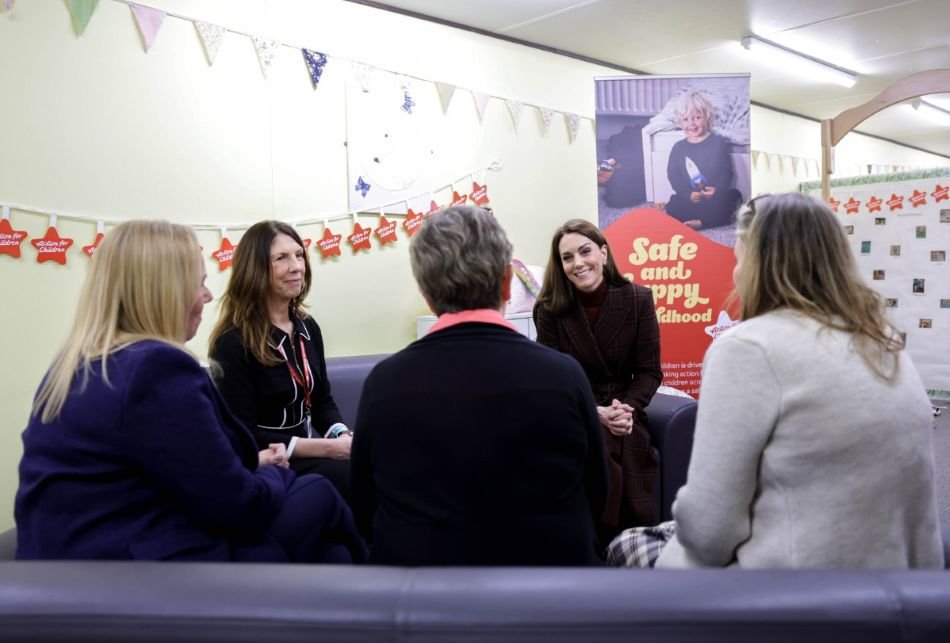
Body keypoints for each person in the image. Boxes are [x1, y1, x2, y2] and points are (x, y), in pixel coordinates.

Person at [612, 192, 944, 569]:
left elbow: (709, 532)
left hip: (797, 585)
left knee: (626, 545)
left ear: (757, 263)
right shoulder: (882, 339)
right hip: (900, 575)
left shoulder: (747, 348)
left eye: (739, 258)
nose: (735, 272)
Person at [15, 220, 365, 563]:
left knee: (332, 552)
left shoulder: (73, 368)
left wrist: (259, 463)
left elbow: (178, 467)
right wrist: (276, 472)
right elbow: (239, 503)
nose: (208, 296)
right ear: (163, 293)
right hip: (133, 564)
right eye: (199, 284)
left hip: (72, 559)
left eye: (299, 256)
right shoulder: (158, 369)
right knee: (320, 493)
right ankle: (381, 583)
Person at [351, 206, 608, 566]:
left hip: (422, 587)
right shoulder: (565, 376)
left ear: (426, 294)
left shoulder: (383, 384)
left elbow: (364, 507)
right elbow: (597, 493)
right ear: (507, 281)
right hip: (551, 585)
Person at [533, 219, 662, 540]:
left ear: (603, 253)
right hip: (574, 411)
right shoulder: (549, 310)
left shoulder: (638, 299)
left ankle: (600, 539)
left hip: (624, 413)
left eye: (585, 251)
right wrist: (594, 412)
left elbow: (649, 372)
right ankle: (608, 540)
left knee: (612, 439)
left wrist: (626, 409)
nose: (578, 263)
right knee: (595, 441)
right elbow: (550, 381)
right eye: (567, 257)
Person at [209, 221, 352, 501]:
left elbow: (322, 402)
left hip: (311, 454)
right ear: (255, 269)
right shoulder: (232, 342)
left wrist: (341, 435)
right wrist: (326, 448)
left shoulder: (308, 328)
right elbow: (242, 433)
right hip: (270, 462)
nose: (296, 267)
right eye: (281, 258)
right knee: (352, 477)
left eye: (299, 255)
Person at [664, 90, 741, 229]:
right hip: (691, 199)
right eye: (686, 119)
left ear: (707, 117)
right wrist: (687, 194)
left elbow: (726, 172)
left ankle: (702, 223)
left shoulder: (718, 143)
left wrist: (717, 190)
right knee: (673, 204)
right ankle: (704, 219)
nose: (691, 124)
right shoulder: (678, 147)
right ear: (680, 122)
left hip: (714, 198)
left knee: (734, 197)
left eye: (697, 117)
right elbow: (673, 175)